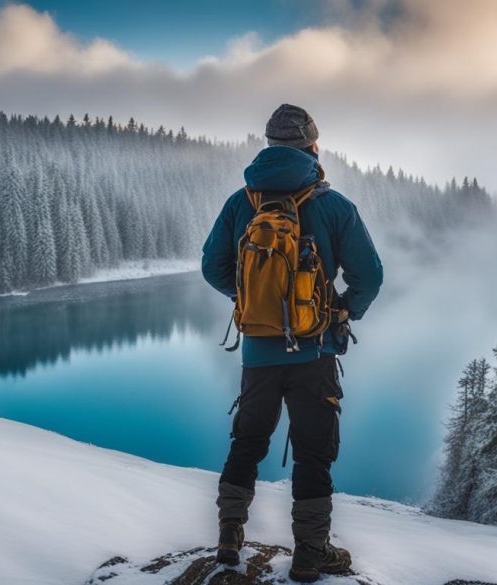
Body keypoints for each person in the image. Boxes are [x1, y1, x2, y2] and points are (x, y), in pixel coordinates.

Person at [201, 103, 383, 582]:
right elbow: (371, 275)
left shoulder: (244, 202)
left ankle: (228, 537)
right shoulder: (334, 204)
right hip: (316, 351)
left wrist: (254, 302)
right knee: (313, 452)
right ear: (312, 146)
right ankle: (309, 555)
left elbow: (211, 266)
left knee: (247, 441)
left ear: (269, 145)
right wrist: (341, 309)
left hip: (259, 353)